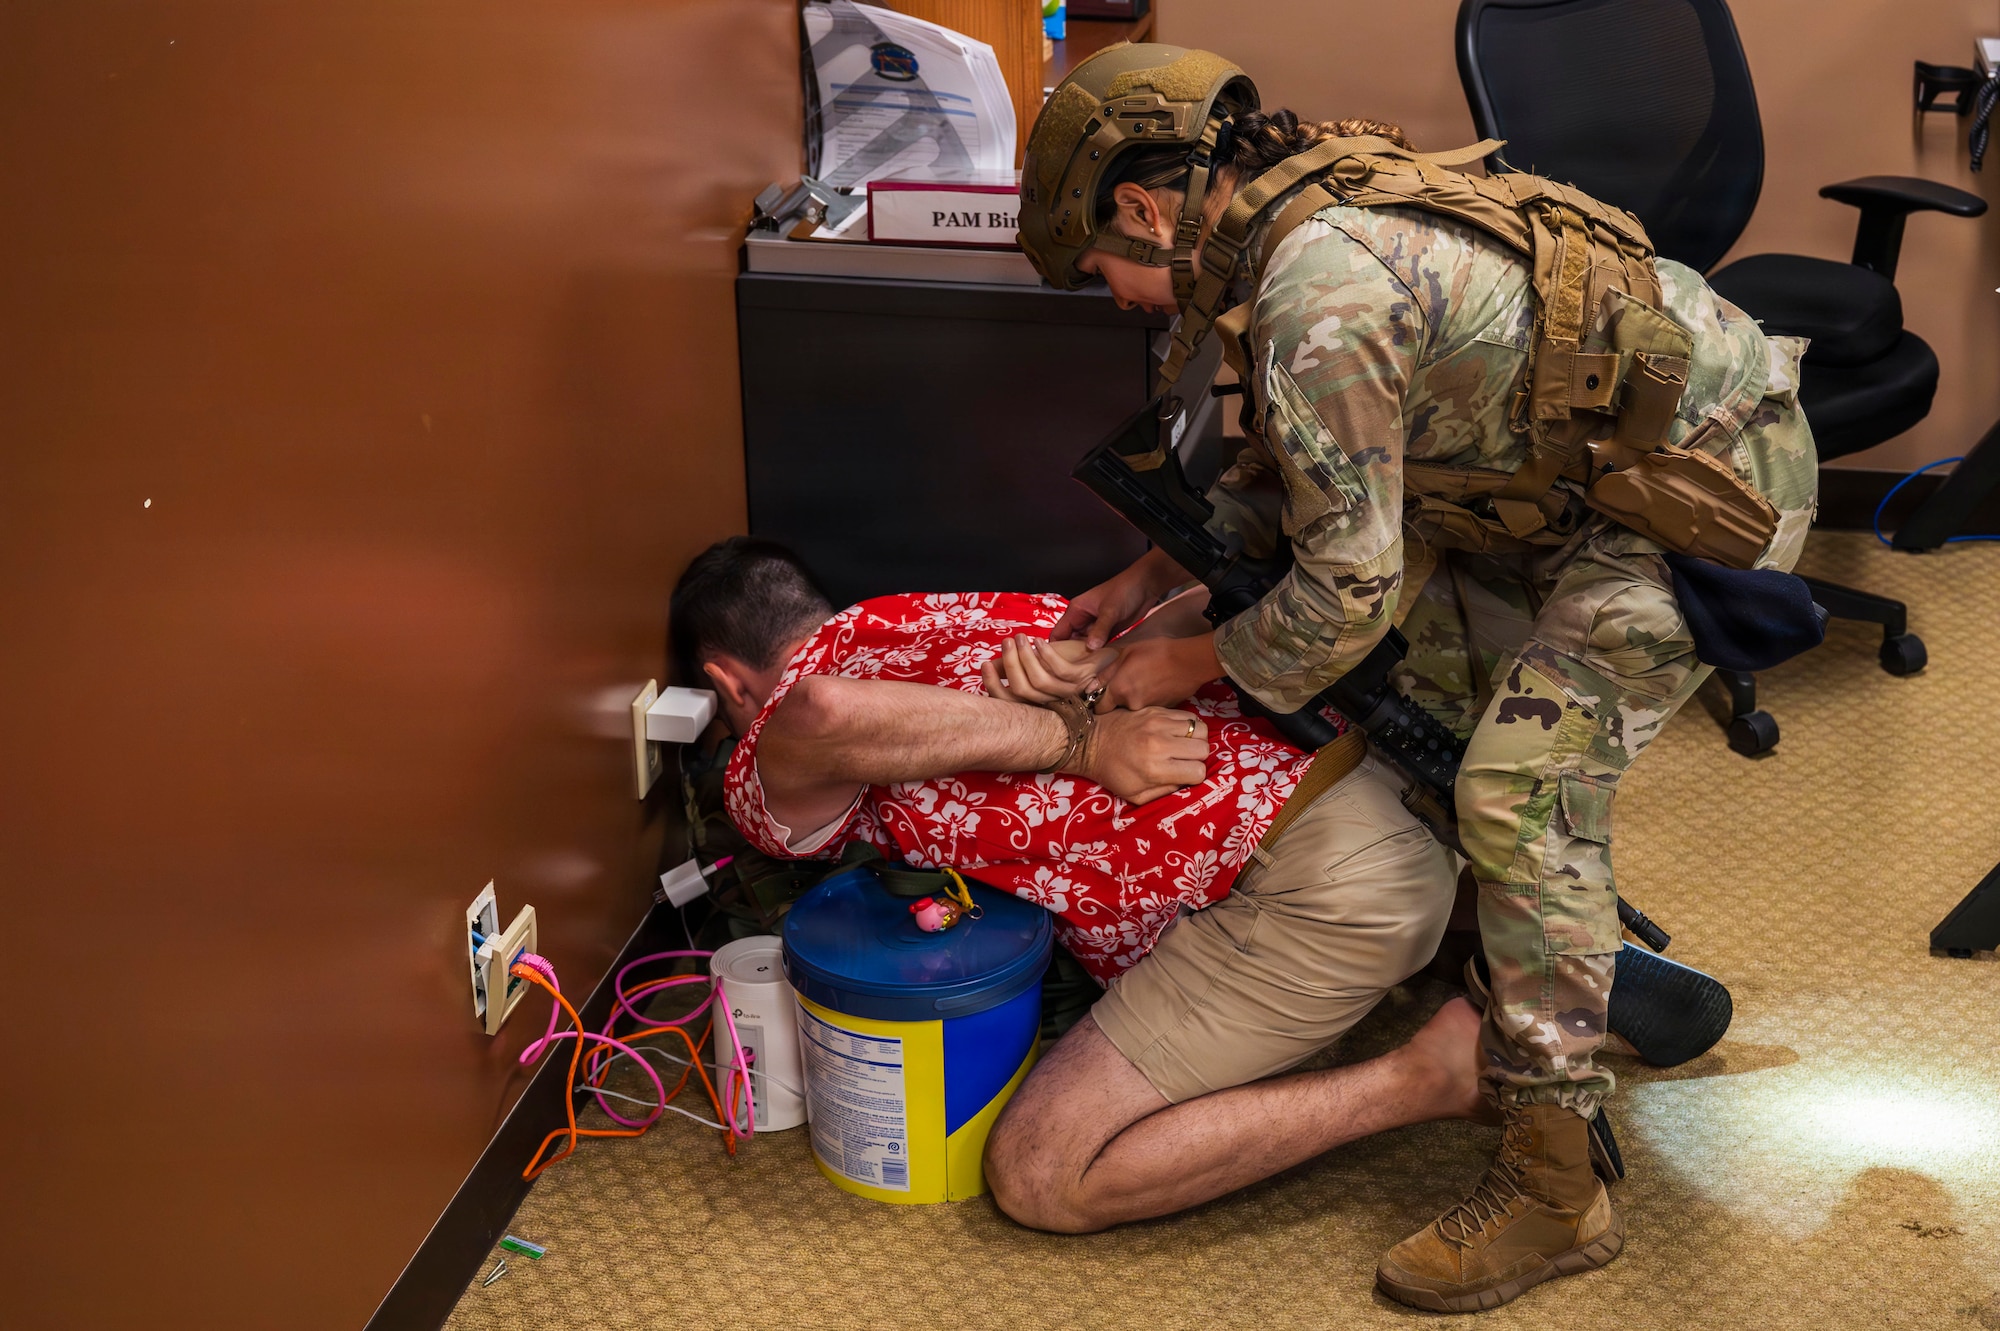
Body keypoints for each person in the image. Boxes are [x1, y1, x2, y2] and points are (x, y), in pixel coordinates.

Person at [1016, 43, 1817, 1313]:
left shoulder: (1311, 293)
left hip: (1692, 495)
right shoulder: (1290, 209)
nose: (1115, 298)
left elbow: (1335, 589)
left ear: (1145, 207)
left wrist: (1188, 657)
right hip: (1565, 471)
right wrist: (1140, 577)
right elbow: (1317, 458)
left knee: (1511, 789)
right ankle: (1551, 961)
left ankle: (1560, 1191)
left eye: (1100, 272)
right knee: (1418, 715)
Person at [674, 536, 1488, 1232]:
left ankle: (1426, 1075)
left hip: (1320, 892)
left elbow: (820, 713)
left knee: (1042, 1172)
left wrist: (1082, 743)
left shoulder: (772, 725)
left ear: (731, 685)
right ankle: (1484, 944)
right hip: (1401, 781)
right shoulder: (950, 613)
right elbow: (1215, 595)